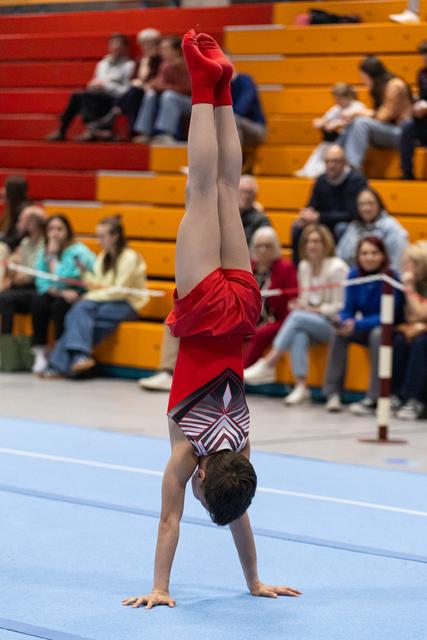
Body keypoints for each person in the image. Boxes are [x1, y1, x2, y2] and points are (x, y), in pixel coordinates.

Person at [123, 30, 301, 609]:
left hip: (243, 309)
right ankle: (206, 85)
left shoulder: (242, 454)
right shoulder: (187, 457)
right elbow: (169, 522)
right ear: (202, 480)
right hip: (203, 309)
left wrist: (255, 581)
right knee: (202, 189)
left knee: (225, 189)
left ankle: (222, 86)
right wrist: (158, 588)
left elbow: (238, 512)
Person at [139, 173, 271, 392]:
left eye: (248, 192)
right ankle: (166, 371)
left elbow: (253, 255)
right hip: (221, 271)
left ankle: (180, 373)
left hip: (238, 280)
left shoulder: (258, 220)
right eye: (242, 191)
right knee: (177, 319)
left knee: (194, 316)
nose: (244, 196)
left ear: (255, 196)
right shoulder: (222, 211)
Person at [244, 224, 349, 405]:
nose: (312, 245)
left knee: (296, 318)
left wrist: (311, 309)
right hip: (310, 321)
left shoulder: (337, 267)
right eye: (308, 241)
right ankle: (301, 388)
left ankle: (269, 363)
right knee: (298, 332)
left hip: (333, 323)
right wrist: (300, 304)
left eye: (317, 241)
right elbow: (305, 299)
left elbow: (340, 306)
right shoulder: (305, 266)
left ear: (326, 244)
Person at [44, 216, 147, 378]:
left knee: (78, 313)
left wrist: (90, 297)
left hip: (128, 304)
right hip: (105, 303)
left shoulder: (130, 257)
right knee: (82, 319)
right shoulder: (103, 257)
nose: (99, 241)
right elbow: (97, 283)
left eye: (102, 237)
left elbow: (119, 291)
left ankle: (59, 364)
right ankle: (79, 359)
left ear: (115, 236)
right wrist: (85, 274)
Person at [323, 237, 404, 415]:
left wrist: (357, 323)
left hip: (389, 330)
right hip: (363, 327)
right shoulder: (353, 275)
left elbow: (388, 316)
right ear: (358, 256)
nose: (369, 257)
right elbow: (348, 308)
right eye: (364, 253)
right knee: (338, 332)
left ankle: (374, 397)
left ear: (383, 255)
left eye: (374, 253)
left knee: (377, 334)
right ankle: (333, 393)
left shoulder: (391, 277)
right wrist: (343, 321)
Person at [31, 215, 96, 374]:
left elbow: (62, 278)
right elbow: (41, 282)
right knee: (39, 301)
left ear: (67, 232)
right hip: (62, 293)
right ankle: (41, 349)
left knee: (60, 305)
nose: (54, 234)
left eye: (59, 229)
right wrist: (60, 291)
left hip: (82, 294)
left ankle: (61, 353)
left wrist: (52, 258)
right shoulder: (44, 251)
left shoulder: (78, 252)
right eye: (51, 229)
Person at [47, 34, 135, 142]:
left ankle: (91, 130)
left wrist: (106, 86)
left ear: (125, 47)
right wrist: (93, 84)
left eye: (118, 44)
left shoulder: (129, 65)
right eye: (112, 44)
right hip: (95, 95)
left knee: (85, 97)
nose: (115, 47)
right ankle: (62, 130)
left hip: (112, 98)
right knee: (77, 95)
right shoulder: (102, 64)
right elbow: (95, 80)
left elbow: (125, 91)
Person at [291, 144, 367, 263]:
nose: (331, 165)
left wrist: (320, 217)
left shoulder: (356, 181)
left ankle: (339, 266)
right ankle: (298, 270)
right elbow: (312, 204)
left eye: (335, 161)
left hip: (349, 224)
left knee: (341, 228)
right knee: (297, 227)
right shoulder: (321, 180)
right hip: (324, 222)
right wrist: (306, 214)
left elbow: (352, 214)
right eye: (328, 161)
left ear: (344, 162)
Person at [340, 56, 412, 173]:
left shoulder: (395, 85)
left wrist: (359, 112)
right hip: (389, 130)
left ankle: (352, 169)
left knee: (361, 122)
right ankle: (337, 162)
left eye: (363, 77)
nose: (362, 81)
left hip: (403, 134)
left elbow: (383, 116)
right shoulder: (379, 87)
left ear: (371, 74)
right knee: (352, 124)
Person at [89, 28, 162, 140]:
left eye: (149, 44)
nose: (146, 47)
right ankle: (124, 127)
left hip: (153, 91)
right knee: (134, 92)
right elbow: (133, 78)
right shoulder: (140, 60)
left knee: (135, 92)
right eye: (143, 44)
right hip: (137, 91)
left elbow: (161, 78)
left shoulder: (160, 61)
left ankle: (113, 115)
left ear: (157, 44)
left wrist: (146, 84)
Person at [244, 226, 297, 367]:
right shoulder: (248, 268)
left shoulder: (285, 268)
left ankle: (242, 374)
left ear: (275, 247)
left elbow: (291, 299)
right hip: (248, 319)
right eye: (259, 246)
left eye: (268, 246)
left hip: (276, 320)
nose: (263, 250)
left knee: (260, 334)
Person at [296, 83, 366, 178]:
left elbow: (354, 122)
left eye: (340, 99)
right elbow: (324, 120)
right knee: (325, 143)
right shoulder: (336, 109)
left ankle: (322, 170)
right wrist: (322, 123)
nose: (337, 102)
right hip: (337, 139)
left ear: (349, 96)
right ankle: (311, 169)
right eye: (336, 99)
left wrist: (337, 123)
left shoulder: (357, 106)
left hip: (351, 141)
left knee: (330, 145)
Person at [392, 241, 427, 420]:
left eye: (410, 264)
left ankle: (414, 399)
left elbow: (421, 313)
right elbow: (403, 317)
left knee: (422, 342)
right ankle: (396, 395)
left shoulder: (410, 286)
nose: (405, 268)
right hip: (412, 330)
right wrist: (415, 325)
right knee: (398, 340)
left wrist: (410, 289)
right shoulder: (400, 285)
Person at [133, 36, 191, 144]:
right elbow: (159, 82)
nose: (161, 52)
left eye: (165, 49)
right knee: (150, 94)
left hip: (192, 101)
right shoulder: (165, 65)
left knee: (169, 95)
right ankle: (144, 132)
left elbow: (189, 89)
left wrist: (163, 87)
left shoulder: (189, 64)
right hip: (173, 97)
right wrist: (153, 85)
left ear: (177, 50)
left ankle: (166, 133)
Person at [336, 187, 408, 271]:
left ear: (379, 205)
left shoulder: (392, 228)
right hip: (353, 276)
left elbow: (397, 263)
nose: (366, 208)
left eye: (371, 203)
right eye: (362, 204)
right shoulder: (354, 226)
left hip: (381, 278)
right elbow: (340, 255)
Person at [0, 206, 46, 334]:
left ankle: (5, 342)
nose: (18, 225)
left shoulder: (44, 244)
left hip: (37, 288)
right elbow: (16, 272)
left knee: (4, 298)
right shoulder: (25, 242)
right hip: (22, 288)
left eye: (21, 221)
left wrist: (16, 277)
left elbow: (30, 275)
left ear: (32, 224)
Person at [400, 40, 427, 180]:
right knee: (407, 127)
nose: (424, 59)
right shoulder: (421, 73)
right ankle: (407, 172)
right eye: (423, 55)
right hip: (423, 121)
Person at [0, 176, 30, 289]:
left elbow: (18, 237)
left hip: (20, 249)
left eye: (6, 188)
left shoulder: (24, 211)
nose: (2, 190)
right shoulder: (11, 208)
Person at [231, 70, 267, 150]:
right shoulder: (219, 86)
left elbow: (241, 108)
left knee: (233, 120)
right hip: (238, 126)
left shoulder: (245, 80)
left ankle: (234, 161)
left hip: (256, 128)